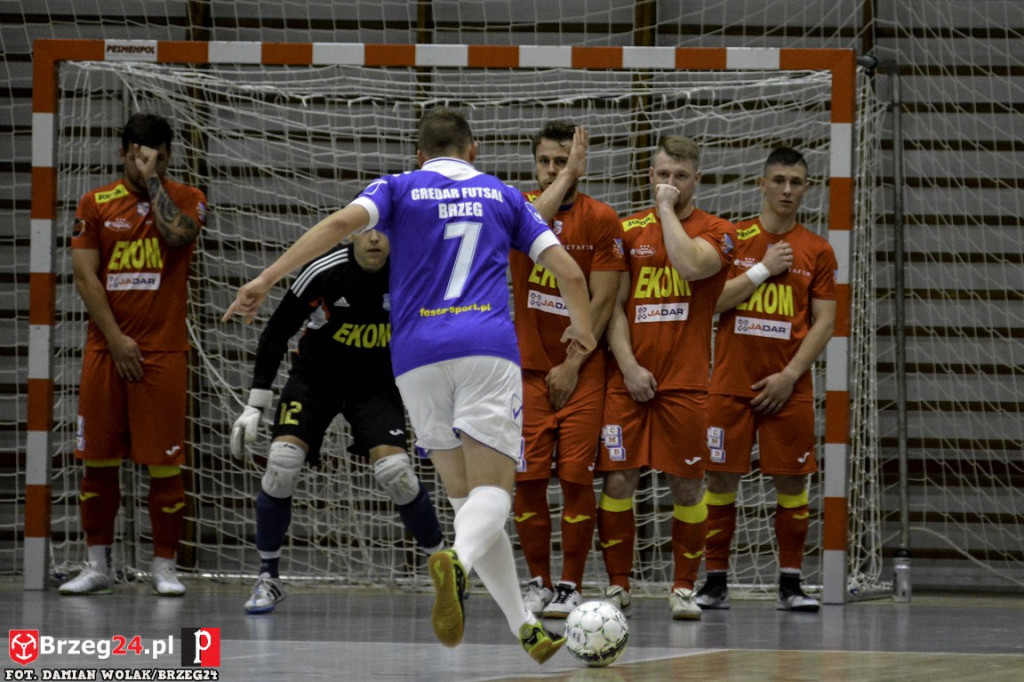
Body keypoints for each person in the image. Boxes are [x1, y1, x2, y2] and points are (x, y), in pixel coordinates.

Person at [222, 108, 595, 664]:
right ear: (474, 151)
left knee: (467, 501)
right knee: (494, 495)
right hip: (485, 348)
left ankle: (525, 627)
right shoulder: (503, 195)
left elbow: (335, 227)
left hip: (415, 357)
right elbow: (567, 271)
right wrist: (582, 330)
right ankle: (457, 567)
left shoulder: (397, 187)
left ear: (421, 155)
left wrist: (263, 279)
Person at [230, 229, 445, 614]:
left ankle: (446, 570)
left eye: (386, 230)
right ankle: (268, 576)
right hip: (316, 379)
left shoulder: (410, 272)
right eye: (367, 230)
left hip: (376, 386)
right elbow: (276, 333)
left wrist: (437, 404)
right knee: (281, 464)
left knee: (396, 473)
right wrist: (254, 405)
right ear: (353, 234)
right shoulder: (324, 271)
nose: (376, 239)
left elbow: (435, 334)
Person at [60, 113, 206, 597]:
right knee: (97, 460)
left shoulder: (187, 199)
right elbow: (85, 277)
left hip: (162, 353)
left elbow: (178, 237)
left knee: (164, 464)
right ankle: (96, 564)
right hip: (107, 350)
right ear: (124, 152)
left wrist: (154, 181)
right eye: (144, 154)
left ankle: (164, 567)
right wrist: (117, 339)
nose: (153, 162)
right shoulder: (95, 203)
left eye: (162, 155)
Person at [596, 135, 734, 620]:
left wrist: (667, 212)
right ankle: (617, 586)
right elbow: (611, 304)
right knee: (618, 478)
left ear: (696, 179)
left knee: (687, 486)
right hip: (627, 379)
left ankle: (682, 589)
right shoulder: (627, 229)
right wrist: (629, 366)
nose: (668, 184)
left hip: (687, 382)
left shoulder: (719, 231)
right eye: (661, 175)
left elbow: (691, 266)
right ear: (648, 175)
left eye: (678, 176)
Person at [697, 147, 837, 612]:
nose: (787, 190)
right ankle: (715, 581)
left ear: (807, 188)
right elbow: (711, 303)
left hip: (789, 387)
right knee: (719, 478)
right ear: (761, 184)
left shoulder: (817, 249)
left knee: (792, 482)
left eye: (796, 182)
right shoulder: (733, 239)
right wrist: (762, 271)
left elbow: (824, 322)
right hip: (730, 382)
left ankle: (791, 584)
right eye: (778, 180)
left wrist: (790, 375)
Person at [508, 121, 624, 619]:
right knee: (528, 479)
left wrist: (573, 364)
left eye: (563, 162)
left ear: (581, 165)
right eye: (546, 162)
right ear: (535, 165)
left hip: (582, 372)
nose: (554, 170)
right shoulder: (518, 208)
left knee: (577, 477)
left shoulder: (601, 219)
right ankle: (538, 580)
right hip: (525, 369)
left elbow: (602, 300)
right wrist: (566, 175)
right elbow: (525, 226)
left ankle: (570, 586)